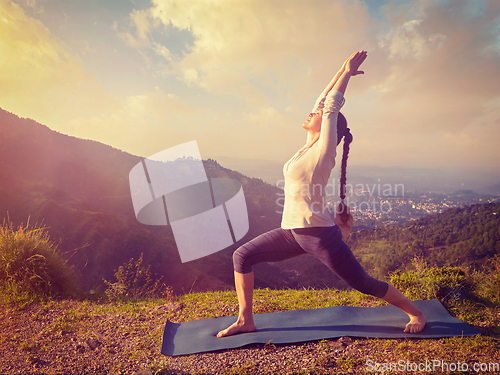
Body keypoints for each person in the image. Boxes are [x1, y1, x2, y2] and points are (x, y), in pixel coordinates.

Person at [217, 51, 427, 338]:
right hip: (291, 232)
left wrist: (347, 77)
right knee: (242, 256)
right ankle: (245, 320)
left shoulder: (324, 151)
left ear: (330, 128)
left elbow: (329, 107)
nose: (311, 113)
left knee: (364, 283)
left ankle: (416, 313)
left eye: (317, 115)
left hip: (319, 235)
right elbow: (321, 101)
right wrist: (341, 70)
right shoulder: (306, 146)